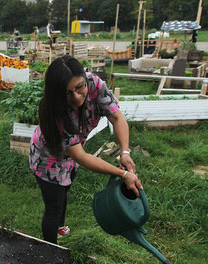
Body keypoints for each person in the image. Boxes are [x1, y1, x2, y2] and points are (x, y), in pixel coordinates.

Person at [29, 55, 142, 244]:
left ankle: (60, 228)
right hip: (47, 160)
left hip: (72, 154)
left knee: (64, 191)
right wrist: (123, 175)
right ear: (57, 93)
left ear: (84, 77)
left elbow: (116, 117)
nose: (76, 97)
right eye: (67, 93)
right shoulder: (57, 114)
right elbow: (81, 157)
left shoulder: (94, 84)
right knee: (54, 205)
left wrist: (125, 151)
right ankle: (51, 249)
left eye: (79, 87)